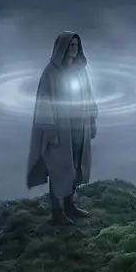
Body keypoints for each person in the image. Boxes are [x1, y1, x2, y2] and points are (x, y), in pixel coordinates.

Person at [26, 31, 98, 225]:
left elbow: (89, 96)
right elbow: (44, 104)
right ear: (62, 48)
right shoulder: (50, 73)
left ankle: (69, 205)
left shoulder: (80, 71)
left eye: (76, 46)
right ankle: (57, 211)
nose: (73, 50)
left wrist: (91, 121)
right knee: (59, 169)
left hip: (78, 128)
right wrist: (51, 132)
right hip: (59, 130)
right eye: (70, 46)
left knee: (75, 168)